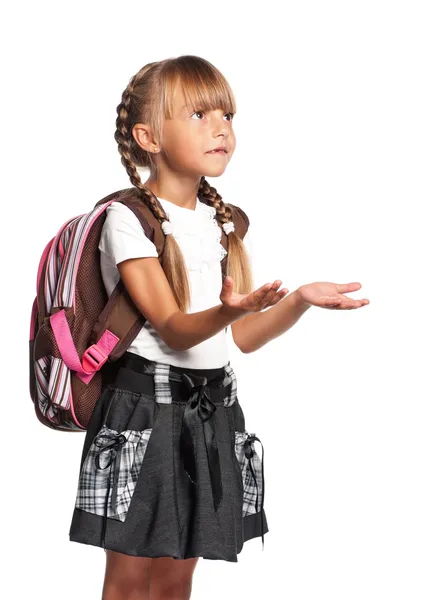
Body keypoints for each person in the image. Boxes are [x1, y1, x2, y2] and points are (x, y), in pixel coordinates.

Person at [68, 55, 369, 600]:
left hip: (211, 411)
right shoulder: (127, 220)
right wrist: (233, 308)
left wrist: (298, 300)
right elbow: (177, 329)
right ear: (148, 137)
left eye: (227, 114)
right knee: (130, 573)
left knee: (181, 569)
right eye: (199, 114)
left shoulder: (224, 220)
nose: (221, 127)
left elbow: (241, 339)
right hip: (143, 412)